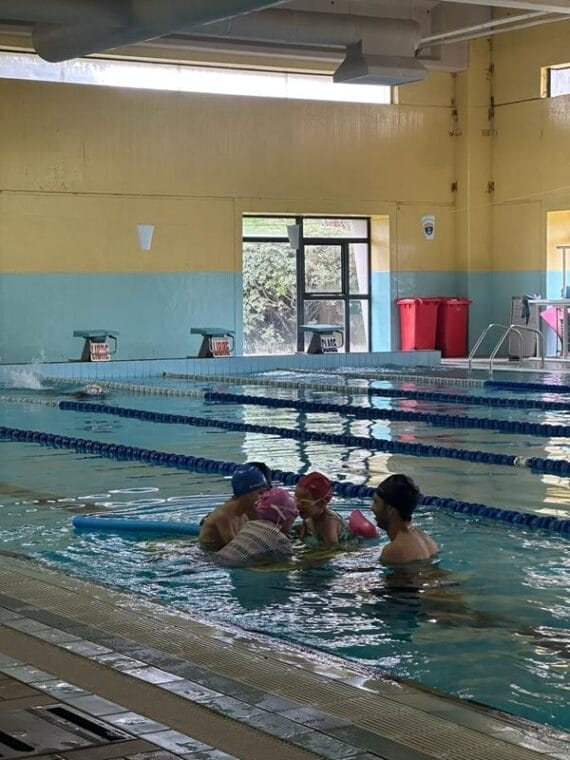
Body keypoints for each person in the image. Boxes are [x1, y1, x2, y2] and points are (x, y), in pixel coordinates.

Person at [215, 487, 298, 567]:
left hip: (217, 558)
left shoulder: (249, 524)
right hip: (234, 565)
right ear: (286, 518)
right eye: (294, 517)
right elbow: (291, 562)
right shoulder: (280, 539)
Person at [371, 474, 438, 566]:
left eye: (376, 502)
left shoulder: (394, 550)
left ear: (390, 509)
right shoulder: (428, 541)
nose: (372, 507)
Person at [199, 465, 268, 550]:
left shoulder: (245, 513)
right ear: (245, 493)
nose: (263, 497)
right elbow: (235, 548)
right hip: (203, 555)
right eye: (260, 493)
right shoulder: (224, 515)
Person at [294, 472, 350, 545]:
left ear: (322, 503)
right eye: (296, 500)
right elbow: (304, 538)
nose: (298, 505)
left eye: (304, 503)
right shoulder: (308, 516)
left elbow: (333, 549)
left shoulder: (329, 523)